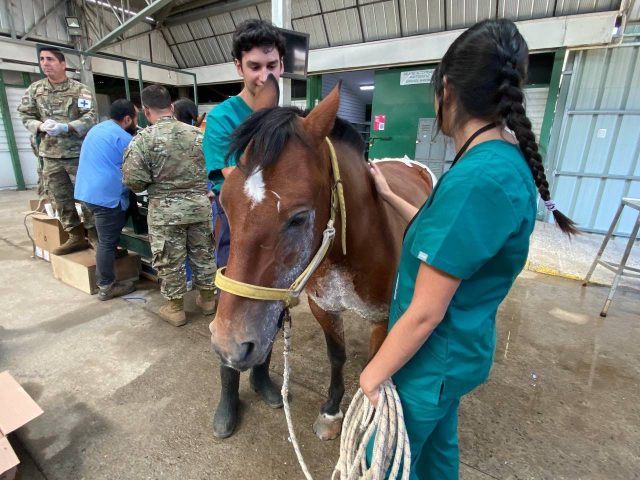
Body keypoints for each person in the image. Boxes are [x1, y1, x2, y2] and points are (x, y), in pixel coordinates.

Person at [360, 19, 578, 479]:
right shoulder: (500, 160)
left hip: (428, 361)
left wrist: (372, 373)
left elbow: (425, 312)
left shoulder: (477, 180)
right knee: (437, 457)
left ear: (447, 91)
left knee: (380, 462)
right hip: (458, 355)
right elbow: (447, 238)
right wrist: (388, 196)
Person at [201, 18, 286, 440]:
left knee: (273, 304)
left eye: (270, 63)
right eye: (254, 65)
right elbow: (232, 178)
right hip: (236, 227)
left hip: (278, 232)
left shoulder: (288, 119)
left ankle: (262, 377)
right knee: (233, 306)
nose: (263, 74)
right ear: (238, 67)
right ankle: (228, 394)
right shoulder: (222, 119)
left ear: (281, 64)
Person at [122, 85, 216, 326]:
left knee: (169, 259)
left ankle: (175, 309)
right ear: (171, 107)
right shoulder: (198, 135)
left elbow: (134, 181)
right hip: (198, 206)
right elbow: (214, 167)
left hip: (165, 212)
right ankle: (207, 301)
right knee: (203, 253)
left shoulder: (143, 140)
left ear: (145, 110)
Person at [18, 47, 97, 255]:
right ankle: (75, 236)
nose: (45, 63)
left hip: (77, 155)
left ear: (63, 64)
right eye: (42, 59)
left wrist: (68, 127)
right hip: (49, 155)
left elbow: (90, 117)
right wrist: (39, 126)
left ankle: (95, 236)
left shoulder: (80, 89)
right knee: (60, 198)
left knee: (87, 198)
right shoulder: (35, 90)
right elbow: (25, 115)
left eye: (50, 59)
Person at [74, 99, 138, 301]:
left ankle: (113, 259)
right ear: (127, 119)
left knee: (107, 235)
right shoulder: (124, 139)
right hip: (105, 198)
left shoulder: (97, 129)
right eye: (136, 117)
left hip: (86, 193)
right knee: (106, 242)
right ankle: (106, 286)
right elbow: (139, 171)